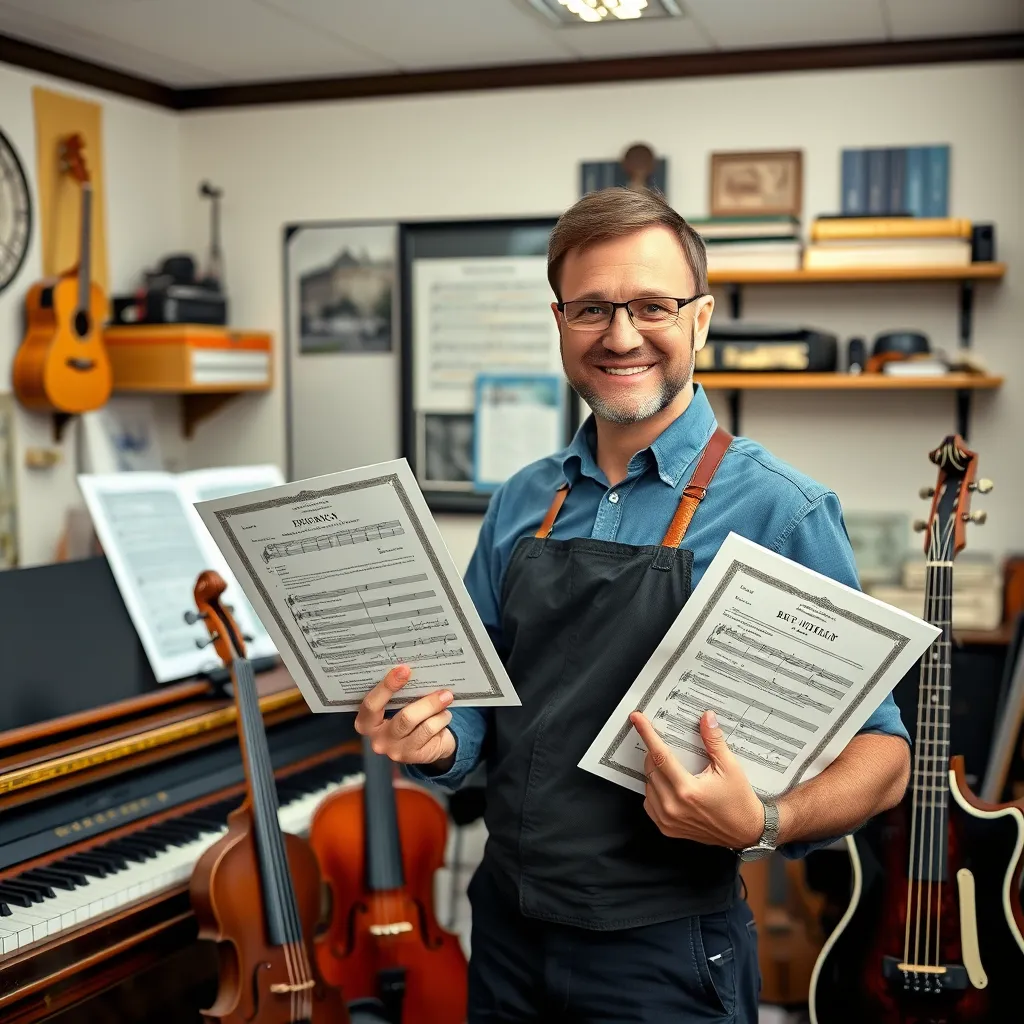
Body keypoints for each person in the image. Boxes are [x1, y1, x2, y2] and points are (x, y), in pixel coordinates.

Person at [355, 187, 912, 1022]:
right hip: (504, 930)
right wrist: (431, 741)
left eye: (651, 305)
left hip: (664, 954)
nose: (620, 336)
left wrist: (764, 819)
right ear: (560, 321)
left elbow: (884, 757)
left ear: (700, 319)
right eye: (591, 309)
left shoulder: (780, 510)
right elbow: (478, 703)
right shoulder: (522, 500)